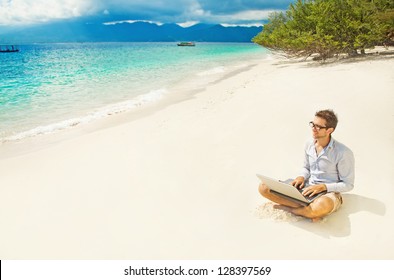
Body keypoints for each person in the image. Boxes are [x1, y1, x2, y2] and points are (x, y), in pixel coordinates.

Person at [258, 109, 355, 222]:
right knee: (264, 187)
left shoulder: (343, 152)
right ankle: (307, 211)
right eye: (312, 124)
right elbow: (306, 168)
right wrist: (301, 177)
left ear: (329, 130)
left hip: (328, 194)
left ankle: (288, 208)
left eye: (318, 126)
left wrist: (324, 187)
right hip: (307, 188)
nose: (313, 128)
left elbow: (348, 185)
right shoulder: (309, 144)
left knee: (322, 205)